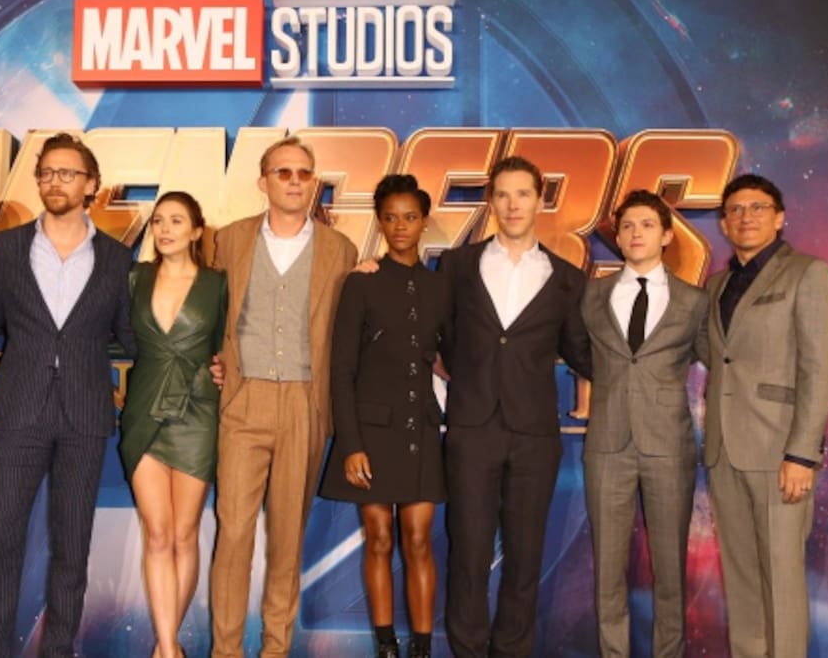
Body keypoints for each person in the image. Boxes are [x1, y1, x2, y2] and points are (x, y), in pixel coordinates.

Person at [0, 132, 136, 658]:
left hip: (86, 416)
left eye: (67, 173)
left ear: (92, 185)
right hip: (19, 412)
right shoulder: (5, 249)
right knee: (0, 540)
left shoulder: (117, 259)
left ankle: (59, 649)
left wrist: (204, 355)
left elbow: (134, 336)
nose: (54, 182)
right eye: (46, 173)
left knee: (72, 547)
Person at [208, 136, 358, 657]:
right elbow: (207, 309)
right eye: (283, 172)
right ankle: (225, 651)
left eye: (303, 173)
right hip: (243, 400)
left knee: (287, 537)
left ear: (314, 182)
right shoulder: (229, 240)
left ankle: (276, 649)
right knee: (233, 533)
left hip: (304, 403)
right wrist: (213, 360)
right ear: (263, 181)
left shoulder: (341, 250)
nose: (295, 181)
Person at [438, 155, 591, 657]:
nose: (512, 204)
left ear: (540, 200)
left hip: (534, 436)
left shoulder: (567, 278)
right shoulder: (457, 266)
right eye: (502, 194)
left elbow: (581, 351)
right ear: (491, 201)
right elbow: (442, 337)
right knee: (468, 553)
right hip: (472, 429)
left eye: (523, 193)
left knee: (525, 558)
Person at [703, 174, 828, 658]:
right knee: (742, 581)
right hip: (724, 451)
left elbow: (819, 370)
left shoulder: (809, 273)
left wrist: (802, 454)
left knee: (781, 581)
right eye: (736, 210)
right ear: (724, 224)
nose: (746, 217)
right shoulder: (717, 285)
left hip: (780, 453)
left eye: (758, 207)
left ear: (780, 218)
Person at [318, 174, 449, 658]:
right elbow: (342, 369)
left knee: (418, 540)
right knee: (377, 538)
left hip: (420, 430)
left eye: (410, 217)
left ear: (424, 221)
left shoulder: (441, 287)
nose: (400, 226)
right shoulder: (362, 282)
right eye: (390, 217)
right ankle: (386, 646)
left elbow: (453, 353)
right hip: (370, 434)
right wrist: (350, 444)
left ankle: (421, 647)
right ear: (379, 221)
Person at [581, 190, 707, 658]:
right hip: (607, 446)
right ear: (618, 236)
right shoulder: (591, 296)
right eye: (628, 226)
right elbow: (579, 352)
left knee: (670, 569)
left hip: (669, 446)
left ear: (667, 236)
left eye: (647, 225)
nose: (636, 233)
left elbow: (718, 361)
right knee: (608, 569)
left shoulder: (694, 301)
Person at [119, 191, 227, 658]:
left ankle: (165, 648)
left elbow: (230, 343)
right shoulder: (134, 278)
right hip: (144, 408)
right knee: (158, 533)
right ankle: (168, 648)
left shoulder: (218, 283)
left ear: (197, 230)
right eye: (159, 220)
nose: (164, 229)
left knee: (184, 535)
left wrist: (224, 367)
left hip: (197, 412)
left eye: (176, 221)